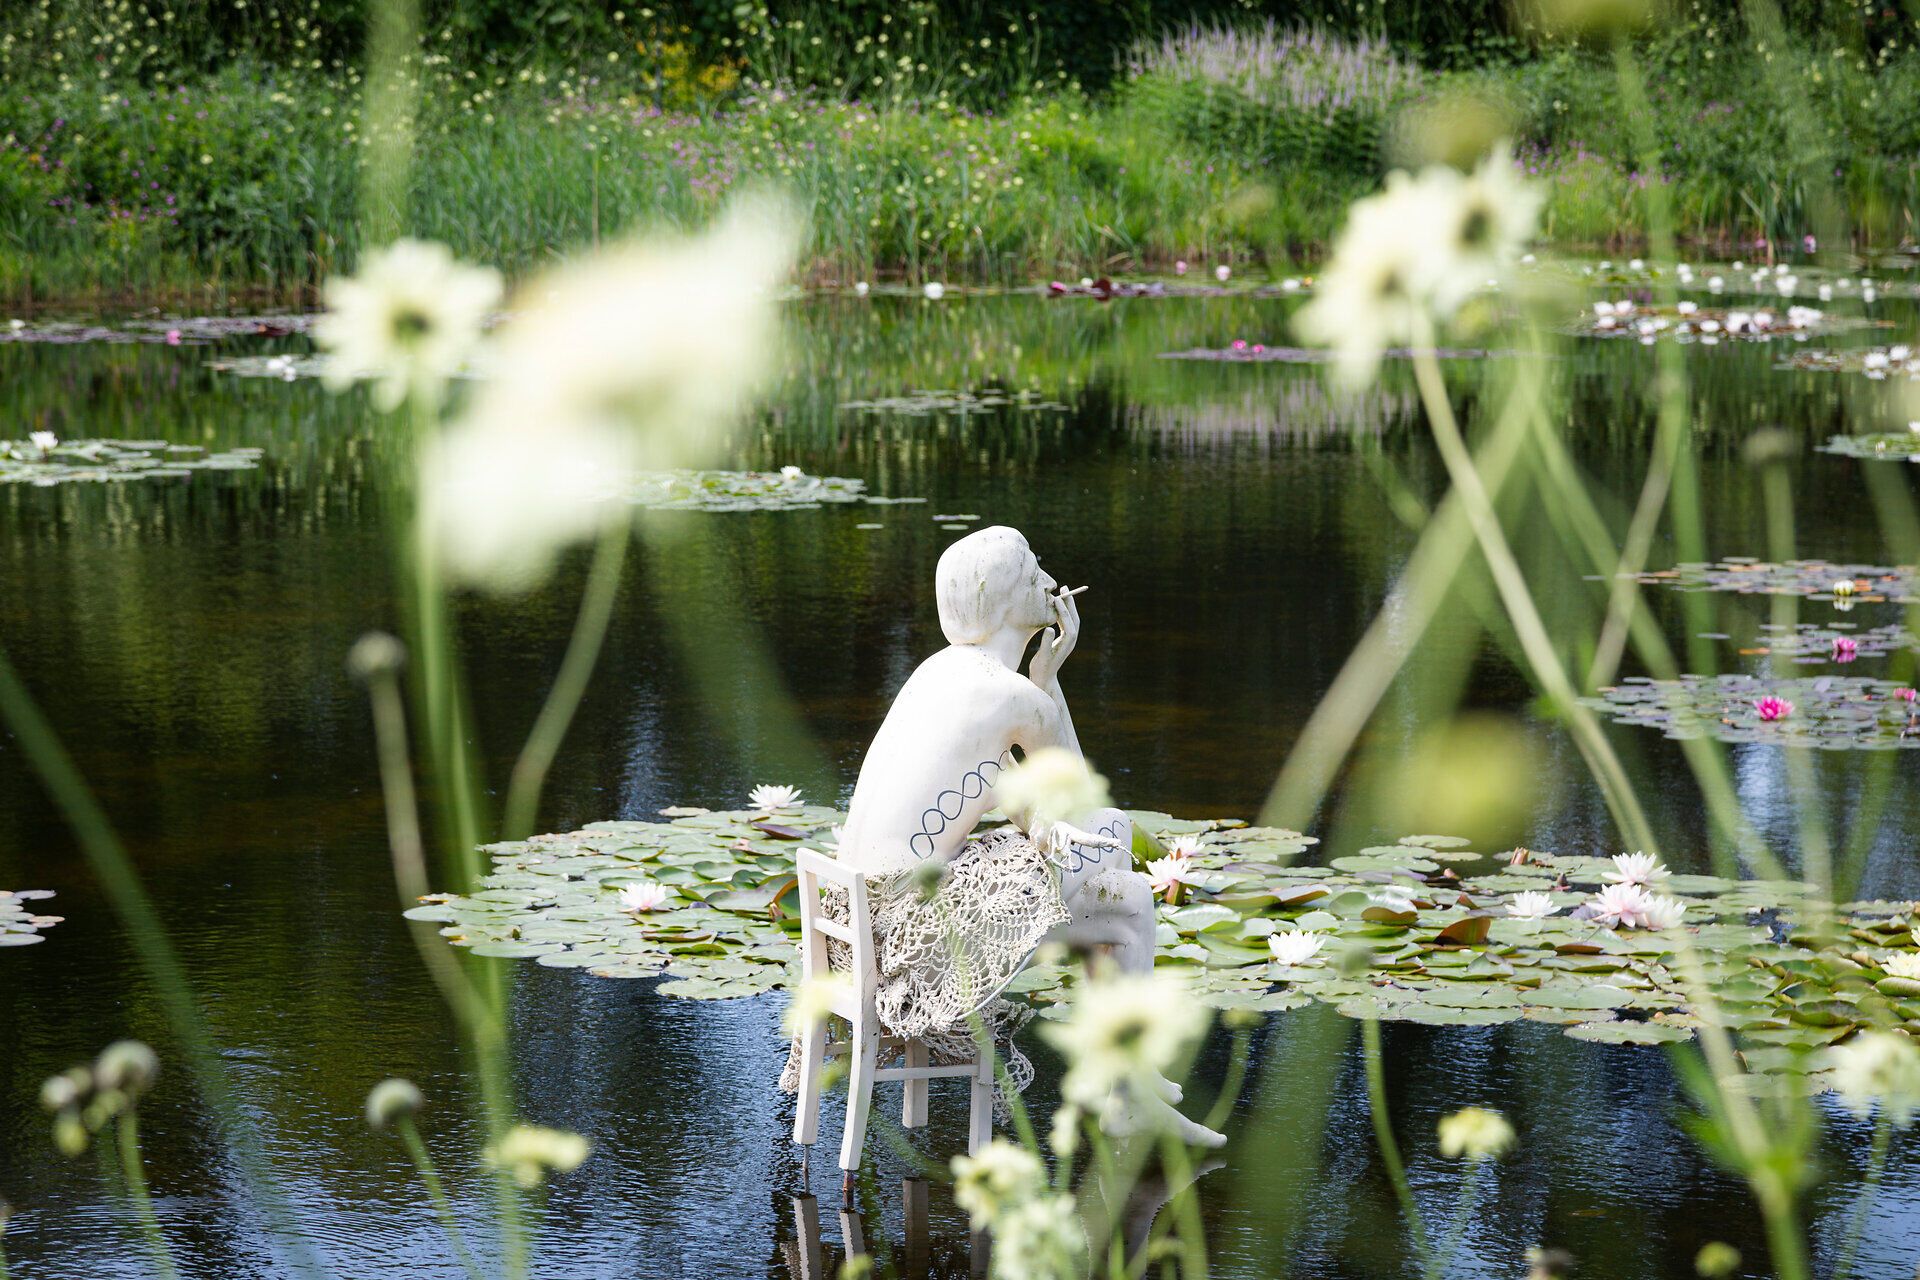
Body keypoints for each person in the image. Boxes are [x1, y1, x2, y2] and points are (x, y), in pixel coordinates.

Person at [804, 525, 1224, 1146]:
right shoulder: (1014, 695)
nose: (1050, 582)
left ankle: (1128, 1085)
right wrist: (1049, 680)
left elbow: (1018, 797)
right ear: (997, 597)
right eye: (1033, 573)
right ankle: (1126, 1086)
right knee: (1116, 844)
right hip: (917, 946)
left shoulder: (938, 671)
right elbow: (1082, 799)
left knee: (1128, 897)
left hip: (863, 925)